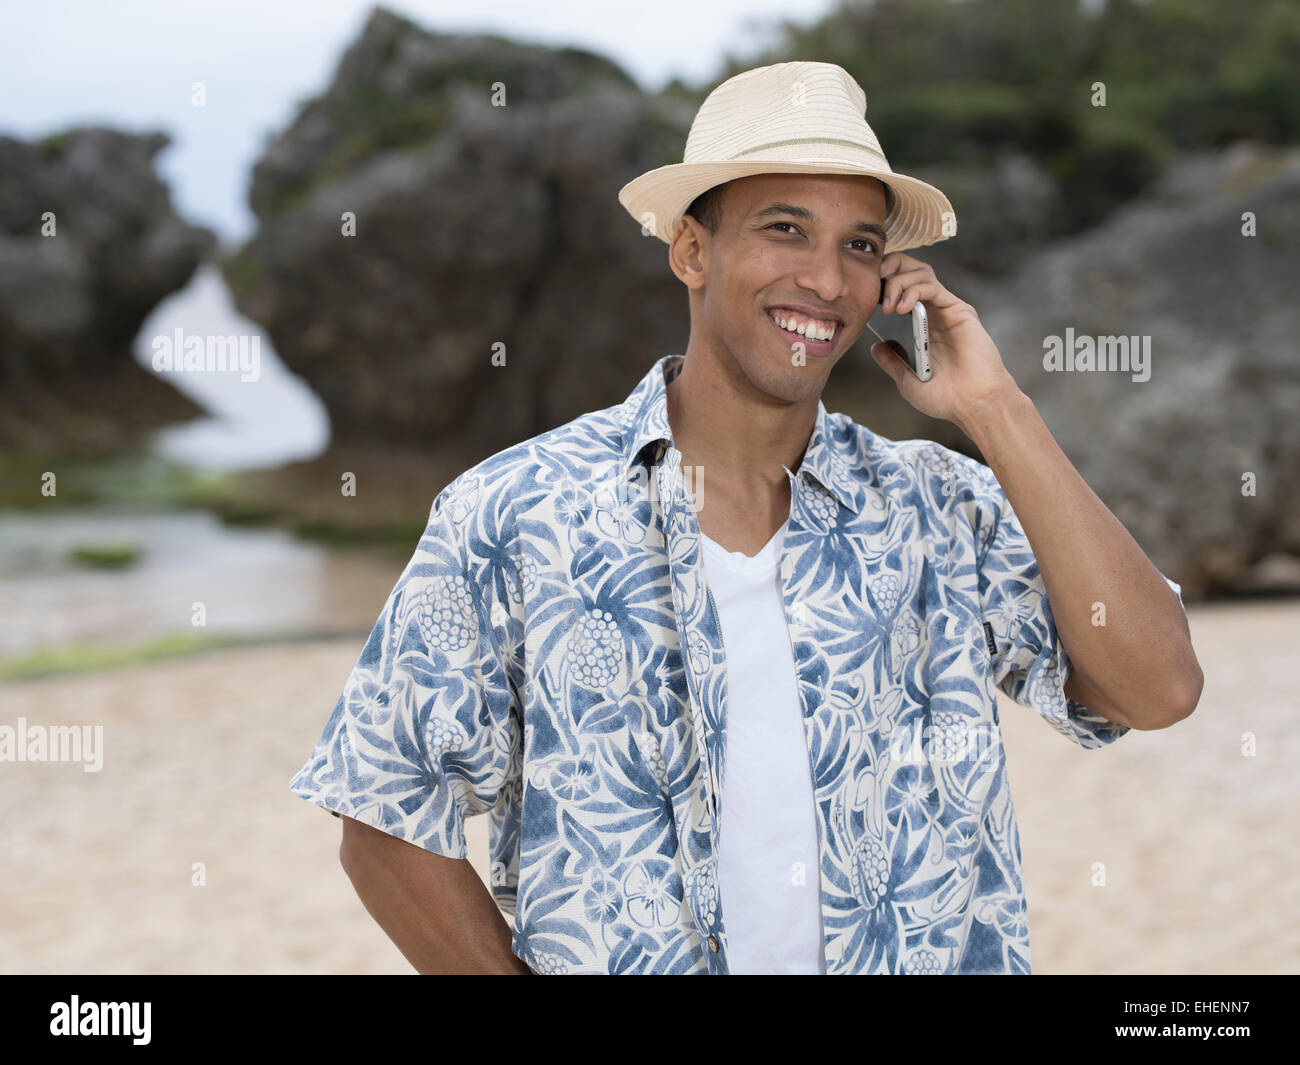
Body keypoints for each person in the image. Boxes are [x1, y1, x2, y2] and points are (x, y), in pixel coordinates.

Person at [289, 60, 1202, 975]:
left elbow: (1157, 687)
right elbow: (381, 805)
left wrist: (994, 406)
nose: (827, 280)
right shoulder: (517, 511)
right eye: (786, 230)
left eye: (859, 246)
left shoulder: (940, 508)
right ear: (691, 250)